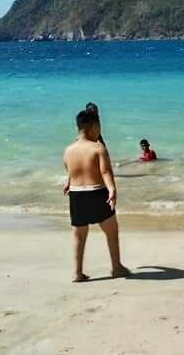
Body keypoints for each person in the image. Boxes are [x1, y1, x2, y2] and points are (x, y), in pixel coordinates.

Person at [62, 109, 128, 282]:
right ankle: (117, 267)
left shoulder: (68, 150)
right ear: (93, 127)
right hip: (96, 192)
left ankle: (77, 272)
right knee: (111, 230)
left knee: (79, 233)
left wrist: (68, 182)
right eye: (99, 127)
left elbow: (71, 170)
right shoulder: (98, 147)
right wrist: (112, 189)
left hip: (76, 195)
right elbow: (105, 171)